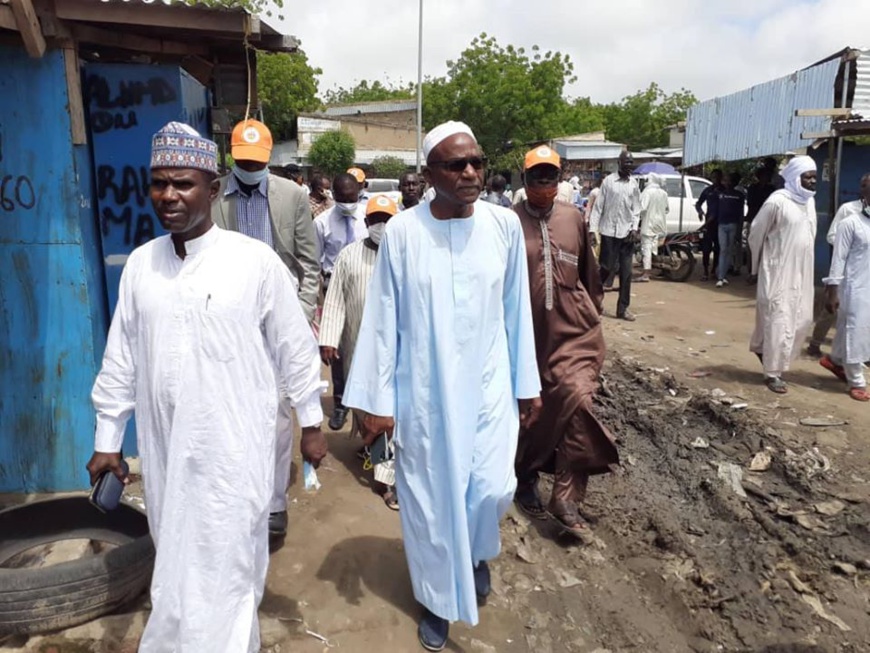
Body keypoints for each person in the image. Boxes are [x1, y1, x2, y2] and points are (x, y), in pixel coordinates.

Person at [87, 123, 327, 653]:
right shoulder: (141, 266)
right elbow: (121, 359)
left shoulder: (254, 263)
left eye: (184, 184)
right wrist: (108, 439)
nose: (168, 196)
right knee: (175, 553)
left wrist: (311, 422)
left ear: (212, 190)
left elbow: (294, 349)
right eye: (159, 184)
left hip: (234, 450)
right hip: (168, 450)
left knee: (230, 560)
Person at [342, 121, 541, 651]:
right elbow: (383, 322)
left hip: (490, 381)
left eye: (476, 161)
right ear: (430, 174)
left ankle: (473, 552)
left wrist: (528, 384)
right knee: (431, 498)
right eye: (456, 164)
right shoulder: (404, 233)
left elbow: (516, 310)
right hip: (426, 391)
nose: (471, 172)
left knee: (493, 486)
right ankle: (435, 597)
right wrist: (378, 404)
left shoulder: (502, 226)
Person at [211, 119, 320, 536]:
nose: (250, 166)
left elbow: (309, 261)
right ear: (231, 156)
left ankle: (274, 503)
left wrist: (302, 311)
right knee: (229, 404)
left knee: (277, 411)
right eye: (242, 159)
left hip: (280, 314)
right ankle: (236, 490)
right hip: (229, 318)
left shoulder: (291, 195)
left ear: (269, 157)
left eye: (257, 161)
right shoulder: (216, 194)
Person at [512, 146, 618, 538]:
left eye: (551, 176)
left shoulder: (574, 217)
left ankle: (566, 494)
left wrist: (595, 310)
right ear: (524, 180)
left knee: (578, 400)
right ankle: (525, 478)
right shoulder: (508, 223)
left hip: (574, 333)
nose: (545, 183)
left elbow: (589, 274)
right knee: (532, 411)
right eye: (537, 176)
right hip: (528, 337)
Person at [320, 195, 401, 509]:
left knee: (386, 411)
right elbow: (336, 299)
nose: (381, 225)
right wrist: (329, 338)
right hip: (356, 345)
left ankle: (386, 477)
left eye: (388, 219)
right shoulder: (349, 255)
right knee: (363, 405)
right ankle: (371, 447)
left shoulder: (405, 256)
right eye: (376, 219)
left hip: (395, 348)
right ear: (366, 224)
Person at [748, 155, 818, 394]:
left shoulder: (809, 202)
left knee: (802, 319)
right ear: (794, 178)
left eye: (814, 177)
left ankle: (761, 347)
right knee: (778, 318)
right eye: (808, 177)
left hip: (802, 271)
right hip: (778, 269)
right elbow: (756, 233)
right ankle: (772, 372)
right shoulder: (777, 201)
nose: (812, 182)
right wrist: (756, 266)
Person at [314, 173, 368, 431]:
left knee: (362, 343)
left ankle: (364, 400)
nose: (349, 202)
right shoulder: (322, 222)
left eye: (353, 197)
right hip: (332, 286)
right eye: (343, 198)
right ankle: (340, 404)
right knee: (336, 348)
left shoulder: (369, 218)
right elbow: (314, 259)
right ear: (333, 196)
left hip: (363, 286)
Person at [808, 173, 870, 357]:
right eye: (864, 184)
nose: (866, 188)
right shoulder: (848, 209)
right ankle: (815, 343)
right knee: (833, 308)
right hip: (844, 268)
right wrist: (850, 246)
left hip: (864, 271)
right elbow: (831, 235)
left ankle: (858, 353)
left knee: (860, 313)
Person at [820, 194, 870, 401]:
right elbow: (838, 258)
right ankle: (857, 381)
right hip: (853, 287)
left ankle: (836, 360)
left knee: (847, 327)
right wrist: (833, 289)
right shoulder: (850, 224)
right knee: (855, 331)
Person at [590, 151, 641, 321]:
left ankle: (623, 309)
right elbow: (598, 208)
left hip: (626, 234)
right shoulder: (608, 182)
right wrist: (592, 230)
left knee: (626, 273)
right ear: (620, 163)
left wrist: (634, 228)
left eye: (631, 163)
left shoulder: (634, 185)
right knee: (606, 268)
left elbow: (636, 209)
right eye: (627, 162)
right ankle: (593, 301)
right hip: (609, 232)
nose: (629, 165)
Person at [715, 172, 746, 287]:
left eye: (729, 181)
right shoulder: (719, 193)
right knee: (723, 249)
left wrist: (740, 228)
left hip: (733, 225)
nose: (727, 183)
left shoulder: (739, 195)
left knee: (728, 250)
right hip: (721, 225)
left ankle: (723, 275)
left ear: (734, 182)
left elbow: (740, 213)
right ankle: (721, 276)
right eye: (725, 180)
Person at [637, 173, 669, 282]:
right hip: (660, 225)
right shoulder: (663, 193)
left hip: (649, 225)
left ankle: (646, 274)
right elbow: (667, 209)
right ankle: (653, 268)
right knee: (655, 248)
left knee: (646, 248)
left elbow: (642, 208)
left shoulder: (647, 192)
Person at [696, 169, 722, 282]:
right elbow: (698, 203)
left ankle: (714, 270)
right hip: (709, 223)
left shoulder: (724, 190)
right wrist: (700, 212)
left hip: (720, 223)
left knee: (718, 248)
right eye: (713, 177)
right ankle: (705, 271)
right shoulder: (707, 191)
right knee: (706, 249)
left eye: (717, 177)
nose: (715, 179)